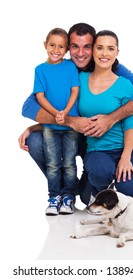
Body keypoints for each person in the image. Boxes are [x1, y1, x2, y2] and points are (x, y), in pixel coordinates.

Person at [18, 23, 133, 206]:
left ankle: (91, 184)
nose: (81, 53)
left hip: (103, 140)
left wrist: (110, 119)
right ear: (68, 48)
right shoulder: (64, 69)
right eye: (75, 46)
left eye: (88, 47)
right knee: (35, 140)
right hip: (78, 138)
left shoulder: (113, 68)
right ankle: (64, 190)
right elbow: (29, 106)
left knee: (93, 195)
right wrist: (66, 122)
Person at [78, 30, 133, 206]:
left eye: (110, 49)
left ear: (117, 53)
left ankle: (116, 191)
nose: (104, 53)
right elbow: (63, 109)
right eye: (100, 48)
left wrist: (126, 157)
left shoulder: (125, 84)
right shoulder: (79, 79)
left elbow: (130, 124)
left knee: (129, 188)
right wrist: (34, 127)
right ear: (92, 50)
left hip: (127, 148)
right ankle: (97, 182)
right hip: (97, 150)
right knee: (100, 174)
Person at [31, 28, 80, 215]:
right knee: (52, 163)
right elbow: (40, 96)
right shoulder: (40, 70)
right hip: (50, 126)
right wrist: (56, 114)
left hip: (70, 126)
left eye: (61, 46)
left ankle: (68, 197)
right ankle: (54, 197)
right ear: (45, 45)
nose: (56, 50)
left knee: (69, 163)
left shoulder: (70, 67)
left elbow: (75, 90)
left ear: (67, 49)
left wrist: (66, 113)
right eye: (52, 45)